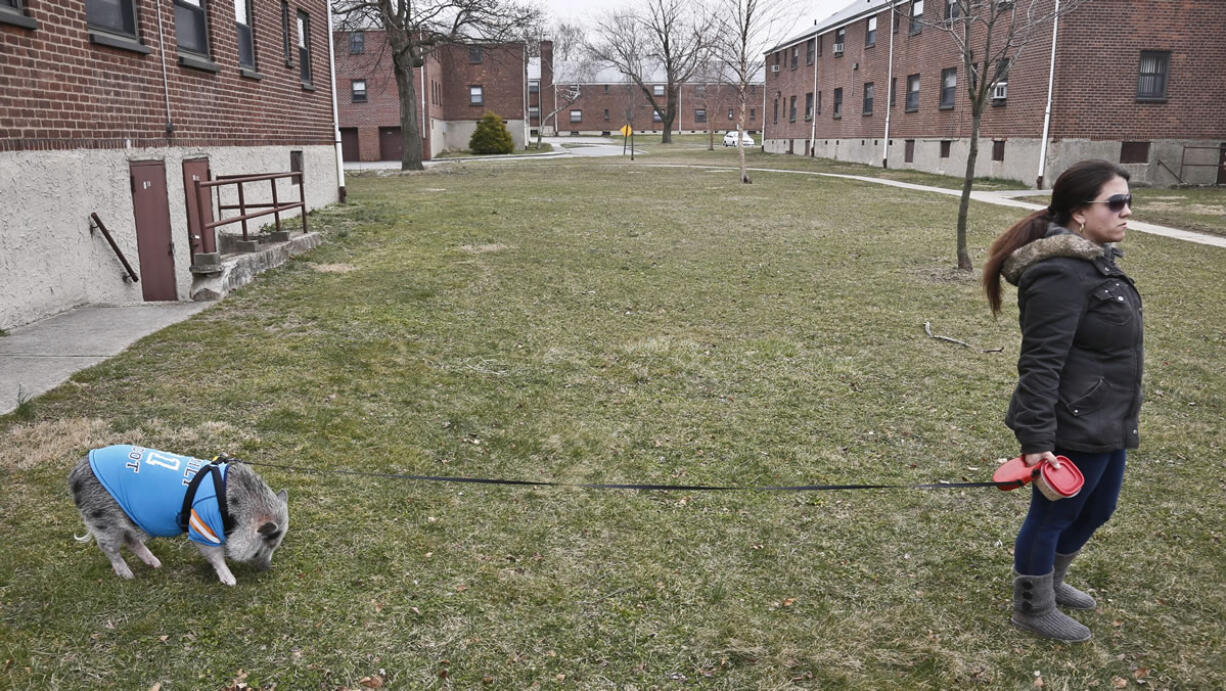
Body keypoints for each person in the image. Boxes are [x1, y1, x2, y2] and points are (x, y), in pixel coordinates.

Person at [982, 160, 1143, 642]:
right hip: (1071, 422)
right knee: (1054, 515)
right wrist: (1036, 439)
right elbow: (1039, 363)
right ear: (1078, 213)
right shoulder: (1060, 275)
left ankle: (1052, 581)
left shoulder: (1095, 262)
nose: (1127, 212)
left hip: (1108, 417)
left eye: (1129, 201)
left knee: (1098, 509)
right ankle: (1032, 606)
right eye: (1115, 203)